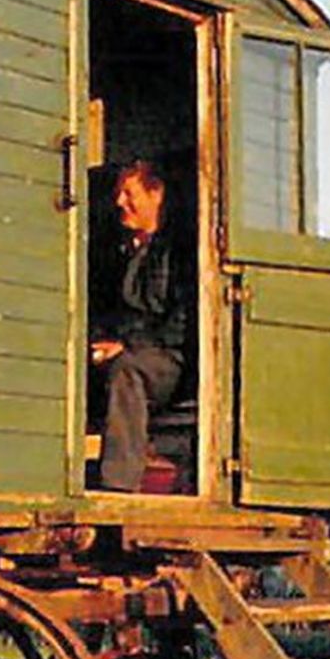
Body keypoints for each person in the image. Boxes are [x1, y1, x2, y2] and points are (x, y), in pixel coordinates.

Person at [90, 160, 189, 491]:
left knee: (125, 370)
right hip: (127, 346)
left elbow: (178, 324)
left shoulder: (180, 251)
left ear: (155, 194)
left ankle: (118, 485)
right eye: (118, 194)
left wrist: (127, 346)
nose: (119, 203)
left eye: (128, 194)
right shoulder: (119, 250)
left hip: (170, 359)